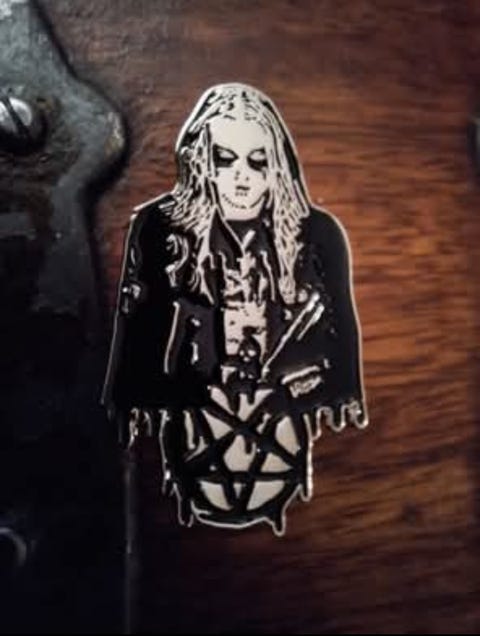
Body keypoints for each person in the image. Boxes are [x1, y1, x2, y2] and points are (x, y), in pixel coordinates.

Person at [103, 83, 367, 535]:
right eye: (225, 160)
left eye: (257, 162)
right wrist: (142, 394)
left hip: (283, 424)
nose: (241, 177)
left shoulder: (318, 234)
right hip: (193, 427)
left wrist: (328, 385)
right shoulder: (159, 228)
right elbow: (139, 329)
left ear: (277, 166)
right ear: (201, 164)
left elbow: (341, 330)